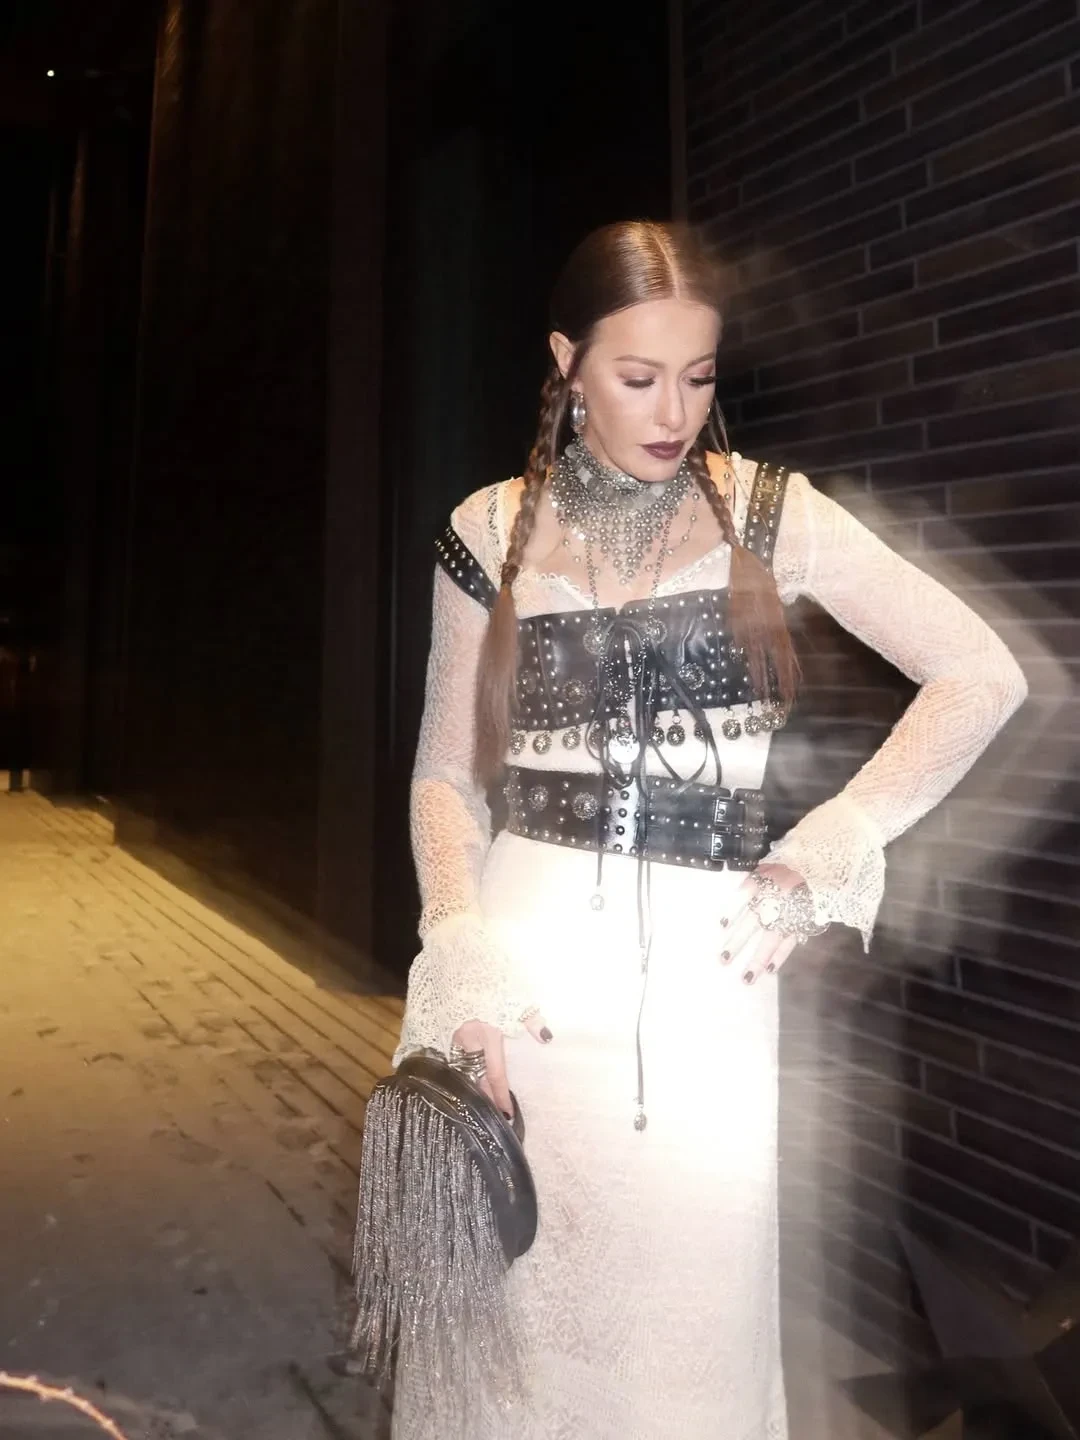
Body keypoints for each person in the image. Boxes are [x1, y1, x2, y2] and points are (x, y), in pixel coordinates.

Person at [387, 220, 1027, 1440]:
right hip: (520, 991)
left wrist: (836, 838)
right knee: (507, 1352)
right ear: (568, 362)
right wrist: (456, 948)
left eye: (698, 376)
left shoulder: (773, 514)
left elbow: (980, 675)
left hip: (710, 996)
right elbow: (445, 778)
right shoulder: (488, 530)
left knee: (692, 1353)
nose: (673, 412)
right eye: (638, 377)